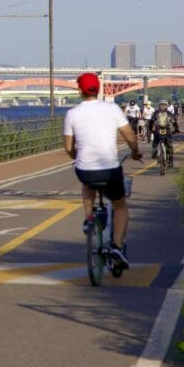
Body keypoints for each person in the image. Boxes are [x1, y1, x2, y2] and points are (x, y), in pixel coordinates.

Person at [63, 73, 142, 270]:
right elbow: (130, 137)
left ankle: (89, 218)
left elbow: (68, 147)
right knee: (120, 205)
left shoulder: (72, 114)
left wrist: (75, 156)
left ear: (80, 90)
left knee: (87, 182)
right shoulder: (113, 109)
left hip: (85, 170)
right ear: (98, 89)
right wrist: (135, 152)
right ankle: (116, 246)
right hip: (110, 170)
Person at [149, 100, 178, 166]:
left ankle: (155, 155)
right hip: (167, 131)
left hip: (157, 131)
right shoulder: (169, 113)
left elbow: (151, 121)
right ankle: (171, 161)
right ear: (166, 106)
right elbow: (174, 122)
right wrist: (176, 130)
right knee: (169, 146)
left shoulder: (156, 113)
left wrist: (151, 130)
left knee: (155, 144)